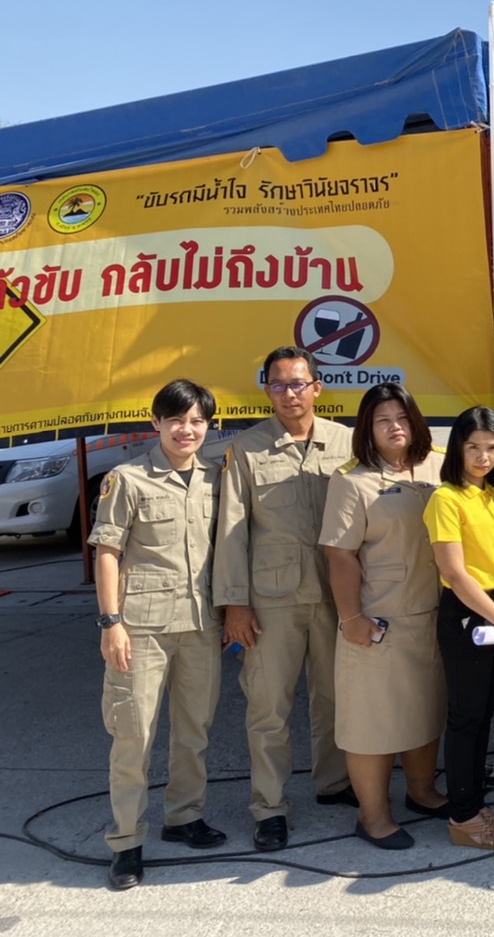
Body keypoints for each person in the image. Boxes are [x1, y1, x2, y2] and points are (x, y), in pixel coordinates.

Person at [215, 346, 355, 853]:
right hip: (272, 598)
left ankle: (335, 782)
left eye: (298, 383)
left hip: (337, 594)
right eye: (278, 384)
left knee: (337, 697)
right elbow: (232, 531)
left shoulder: (347, 442)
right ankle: (269, 807)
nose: (289, 393)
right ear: (266, 390)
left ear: (317, 387)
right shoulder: (246, 449)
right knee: (268, 705)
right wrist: (234, 604)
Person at [91, 380, 227, 890]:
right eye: (176, 420)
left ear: (208, 426)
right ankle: (126, 842)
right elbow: (107, 552)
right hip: (141, 628)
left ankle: (184, 816)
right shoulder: (127, 479)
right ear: (156, 423)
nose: (186, 430)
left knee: (194, 730)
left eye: (196, 421)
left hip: (200, 624)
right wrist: (111, 623)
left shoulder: (216, 479)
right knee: (134, 737)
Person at [320, 384, 448, 850]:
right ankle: (372, 815)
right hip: (378, 621)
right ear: (366, 429)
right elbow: (340, 555)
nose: (395, 427)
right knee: (371, 723)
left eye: (402, 417)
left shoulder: (439, 466)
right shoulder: (352, 480)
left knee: (425, 710)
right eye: (382, 420)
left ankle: (422, 792)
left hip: (430, 614)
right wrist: (352, 617)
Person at [423, 406, 494, 850]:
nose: (483, 456)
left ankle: (475, 802)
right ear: (457, 450)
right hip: (470, 615)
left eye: (492, 447)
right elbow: (454, 572)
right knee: (465, 718)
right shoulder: (445, 499)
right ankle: (462, 815)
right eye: (473, 447)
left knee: (484, 714)